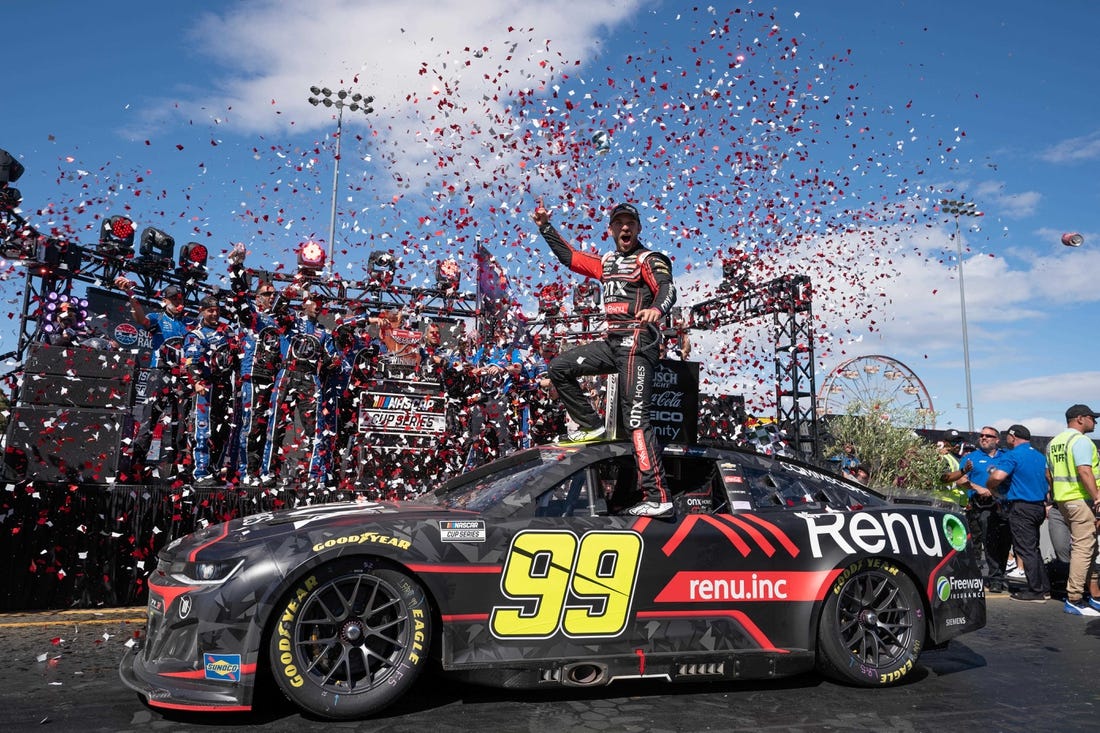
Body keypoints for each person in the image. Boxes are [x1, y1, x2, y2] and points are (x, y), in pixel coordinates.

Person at [533, 200, 678, 518]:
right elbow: (570, 258)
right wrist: (545, 226)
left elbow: (668, 289)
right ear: (611, 229)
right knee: (559, 366)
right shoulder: (607, 261)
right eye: (619, 223)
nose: (625, 228)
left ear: (638, 228)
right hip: (613, 344)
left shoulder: (648, 259)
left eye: (630, 223)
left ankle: (658, 496)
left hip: (639, 344)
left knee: (636, 420)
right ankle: (590, 425)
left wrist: (657, 308)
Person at [114, 277, 195, 481]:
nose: (178, 303)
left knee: (180, 424)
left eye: (180, 299)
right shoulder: (158, 318)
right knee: (148, 422)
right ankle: (135, 469)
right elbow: (140, 319)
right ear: (165, 301)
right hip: (159, 374)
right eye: (174, 300)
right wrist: (131, 295)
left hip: (182, 377)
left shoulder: (189, 323)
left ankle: (176, 470)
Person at [260, 288, 339, 488]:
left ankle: (315, 476)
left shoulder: (324, 331)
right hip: (287, 375)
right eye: (313, 300)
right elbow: (275, 310)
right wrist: (289, 292)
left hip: (310, 378)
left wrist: (334, 361)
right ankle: (268, 472)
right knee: (275, 424)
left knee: (315, 429)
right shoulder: (292, 321)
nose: (317, 305)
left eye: (320, 302)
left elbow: (332, 359)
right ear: (304, 302)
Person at [228, 245, 282, 485]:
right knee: (250, 427)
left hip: (273, 379)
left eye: (273, 294)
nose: (271, 297)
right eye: (266, 293)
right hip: (252, 376)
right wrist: (237, 267)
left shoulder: (279, 321)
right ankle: (246, 472)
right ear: (257, 297)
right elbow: (239, 296)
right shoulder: (253, 317)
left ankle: (264, 470)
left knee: (269, 427)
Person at [1045, 404, 1100, 616]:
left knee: (1088, 547)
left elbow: (1049, 475)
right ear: (1079, 419)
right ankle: (1075, 598)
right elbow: (1084, 470)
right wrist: (1097, 497)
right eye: (1091, 418)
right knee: (1084, 548)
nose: (1094, 422)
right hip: (1080, 499)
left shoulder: (1053, 443)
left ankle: (1091, 595)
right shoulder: (1081, 441)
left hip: (1063, 501)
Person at [986, 424, 1050, 603]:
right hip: (1038, 506)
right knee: (1033, 548)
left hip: (1021, 507)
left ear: (1013, 437)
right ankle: (1043, 588)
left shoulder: (1013, 455)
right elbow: (1048, 479)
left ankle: (1035, 591)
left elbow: (997, 477)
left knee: (1025, 549)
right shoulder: (1039, 456)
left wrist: (989, 485)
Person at [945, 426, 1011, 593]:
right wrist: (977, 487)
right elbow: (959, 479)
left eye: (988, 436)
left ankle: (997, 578)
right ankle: (974, 578)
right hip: (978, 504)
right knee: (976, 544)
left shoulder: (1006, 457)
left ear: (997, 439)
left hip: (1002, 506)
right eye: (981, 435)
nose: (984, 438)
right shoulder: (972, 457)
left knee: (1000, 545)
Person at [182, 295, 237, 486]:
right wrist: (196, 381)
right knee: (202, 430)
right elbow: (191, 362)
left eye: (216, 310)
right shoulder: (196, 335)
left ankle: (215, 469)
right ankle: (200, 473)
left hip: (225, 387)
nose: (214, 314)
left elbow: (236, 354)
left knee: (222, 431)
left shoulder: (227, 332)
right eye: (210, 310)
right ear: (202, 311)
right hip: (206, 387)